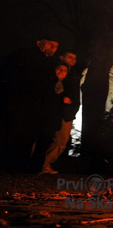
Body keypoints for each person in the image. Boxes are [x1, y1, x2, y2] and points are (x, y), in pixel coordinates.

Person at [0, 36, 59, 172]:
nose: (53, 48)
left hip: (36, 108)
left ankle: (18, 166)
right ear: (40, 43)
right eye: (50, 45)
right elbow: (9, 76)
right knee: (14, 135)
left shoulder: (49, 62)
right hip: (19, 104)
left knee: (27, 138)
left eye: (55, 46)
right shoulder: (23, 55)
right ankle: (7, 165)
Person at [42, 50, 81, 174]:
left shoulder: (73, 74)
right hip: (56, 109)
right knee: (49, 137)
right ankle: (40, 162)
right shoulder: (56, 70)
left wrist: (73, 106)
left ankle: (45, 162)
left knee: (61, 140)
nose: (73, 60)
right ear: (62, 57)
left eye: (74, 58)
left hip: (67, 111)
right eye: (70, 57)